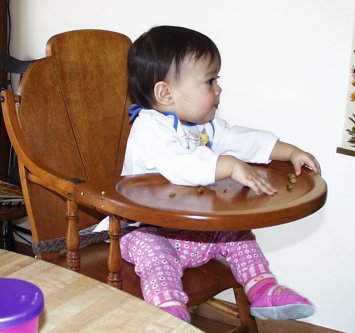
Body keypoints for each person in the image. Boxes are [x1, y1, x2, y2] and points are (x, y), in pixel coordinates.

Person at [116, 25, 320, 322]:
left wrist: (289, 152)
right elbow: (179, 164)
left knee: (238, 235)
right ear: (165, 93)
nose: (218, 89)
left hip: (194, 233)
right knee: (155, 256)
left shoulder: (205, 128)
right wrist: (228, 165)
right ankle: (169, 313)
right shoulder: (149, 128)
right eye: (210, 81)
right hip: (144, 232)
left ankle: (262, 287)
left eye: (217, 79)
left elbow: (245, 140)